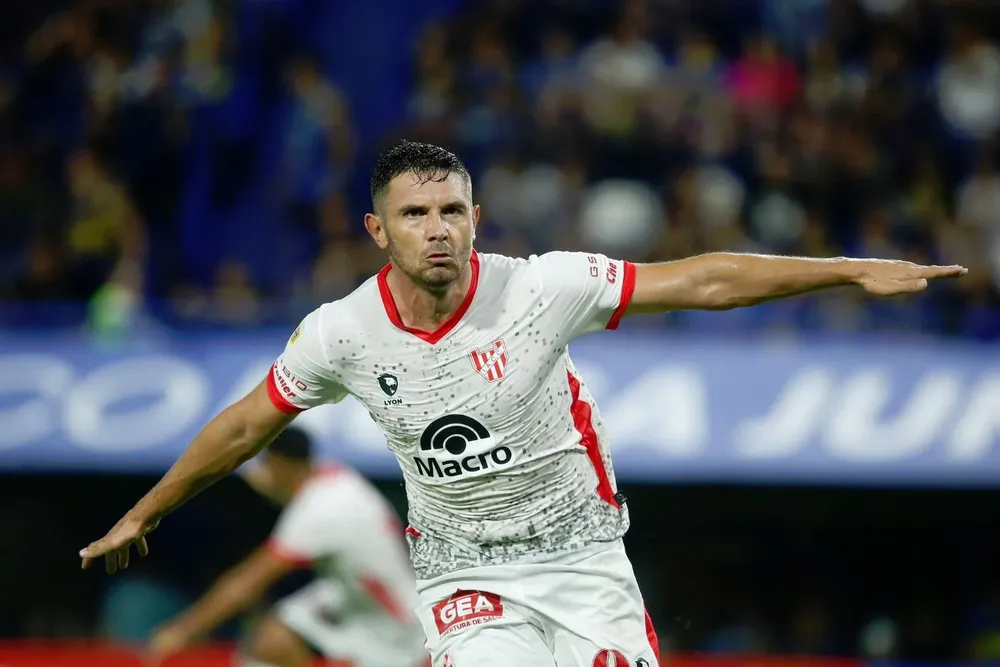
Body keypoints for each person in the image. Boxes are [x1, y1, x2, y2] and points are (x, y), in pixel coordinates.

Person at [81, 141, 967, 667]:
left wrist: (846, 269)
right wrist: (143, 510)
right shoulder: (340, 333)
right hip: (466, 576)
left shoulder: (545, 287)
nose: (439, 228)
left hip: (584, 558)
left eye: (453, 210)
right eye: (417, 212)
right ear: (377, 230)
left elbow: (703, 279)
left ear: (478, 216)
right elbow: (245, 424)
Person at [145, 427, 425, 667]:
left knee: (269, 644)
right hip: (356, 594)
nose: (259, 472)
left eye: (265, 463)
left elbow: (247, 582)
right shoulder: (334, 477)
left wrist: (182, 630)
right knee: (270, 638)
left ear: (281, 463)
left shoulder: (323, 509)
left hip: (393, 624)